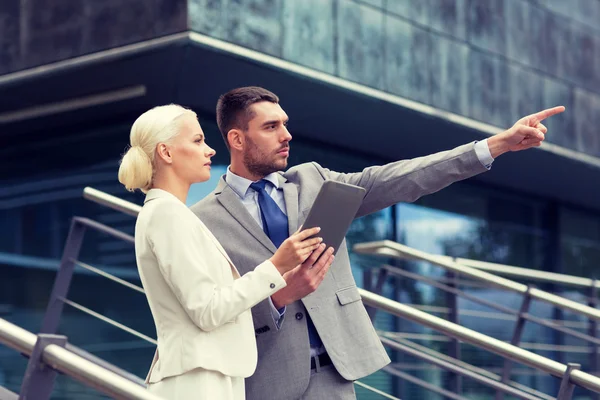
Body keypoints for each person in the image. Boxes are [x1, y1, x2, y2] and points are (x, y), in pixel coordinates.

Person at [191, 86, 565, 400]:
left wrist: (494, 146)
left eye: (285, 125)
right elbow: (208, 313)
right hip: (265, 384)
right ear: (237, 139)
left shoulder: (313, 179)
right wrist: (277, 298)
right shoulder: (203, 220)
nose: (286, 135)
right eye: (271, 127)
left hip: (335, 379)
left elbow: (401, 178)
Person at [117, 104, 335, 400]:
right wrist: (276, 266)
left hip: (211, 375)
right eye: (197, 141)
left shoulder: (174, 214)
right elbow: (207, 310)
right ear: (166, 153)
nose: (210, 151)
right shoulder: (166, 214)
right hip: (197, 382)